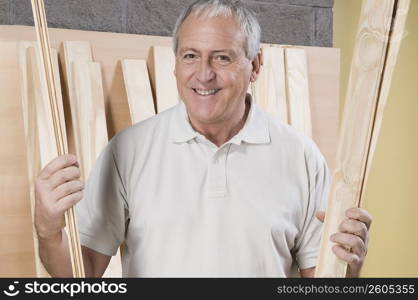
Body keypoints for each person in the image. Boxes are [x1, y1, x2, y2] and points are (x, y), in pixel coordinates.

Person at [34, 0, 372, 277]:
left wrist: (348, 266)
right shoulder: (128, 151)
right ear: (176, 64)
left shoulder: (301, 157)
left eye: (222, 57)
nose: (204, 74)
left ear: (255, 65)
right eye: (190, 56)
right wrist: (48, 230)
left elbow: (323, 283)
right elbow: (82, 274)